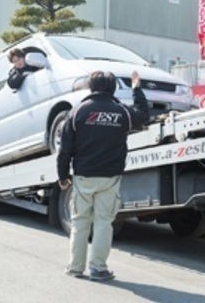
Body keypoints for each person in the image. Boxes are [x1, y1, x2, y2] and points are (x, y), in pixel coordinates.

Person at [57, 71, 149, 281]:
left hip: (83, 177)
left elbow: (64, 150)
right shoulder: (121, 112)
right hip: (110, 177)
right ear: (113, 88)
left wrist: (63, 176)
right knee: (103, 222)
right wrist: (136, 88)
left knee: (80, 222)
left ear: (91, 87)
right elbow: (143, 115)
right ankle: (98, 268)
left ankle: (75, 267)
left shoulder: (78, 111)